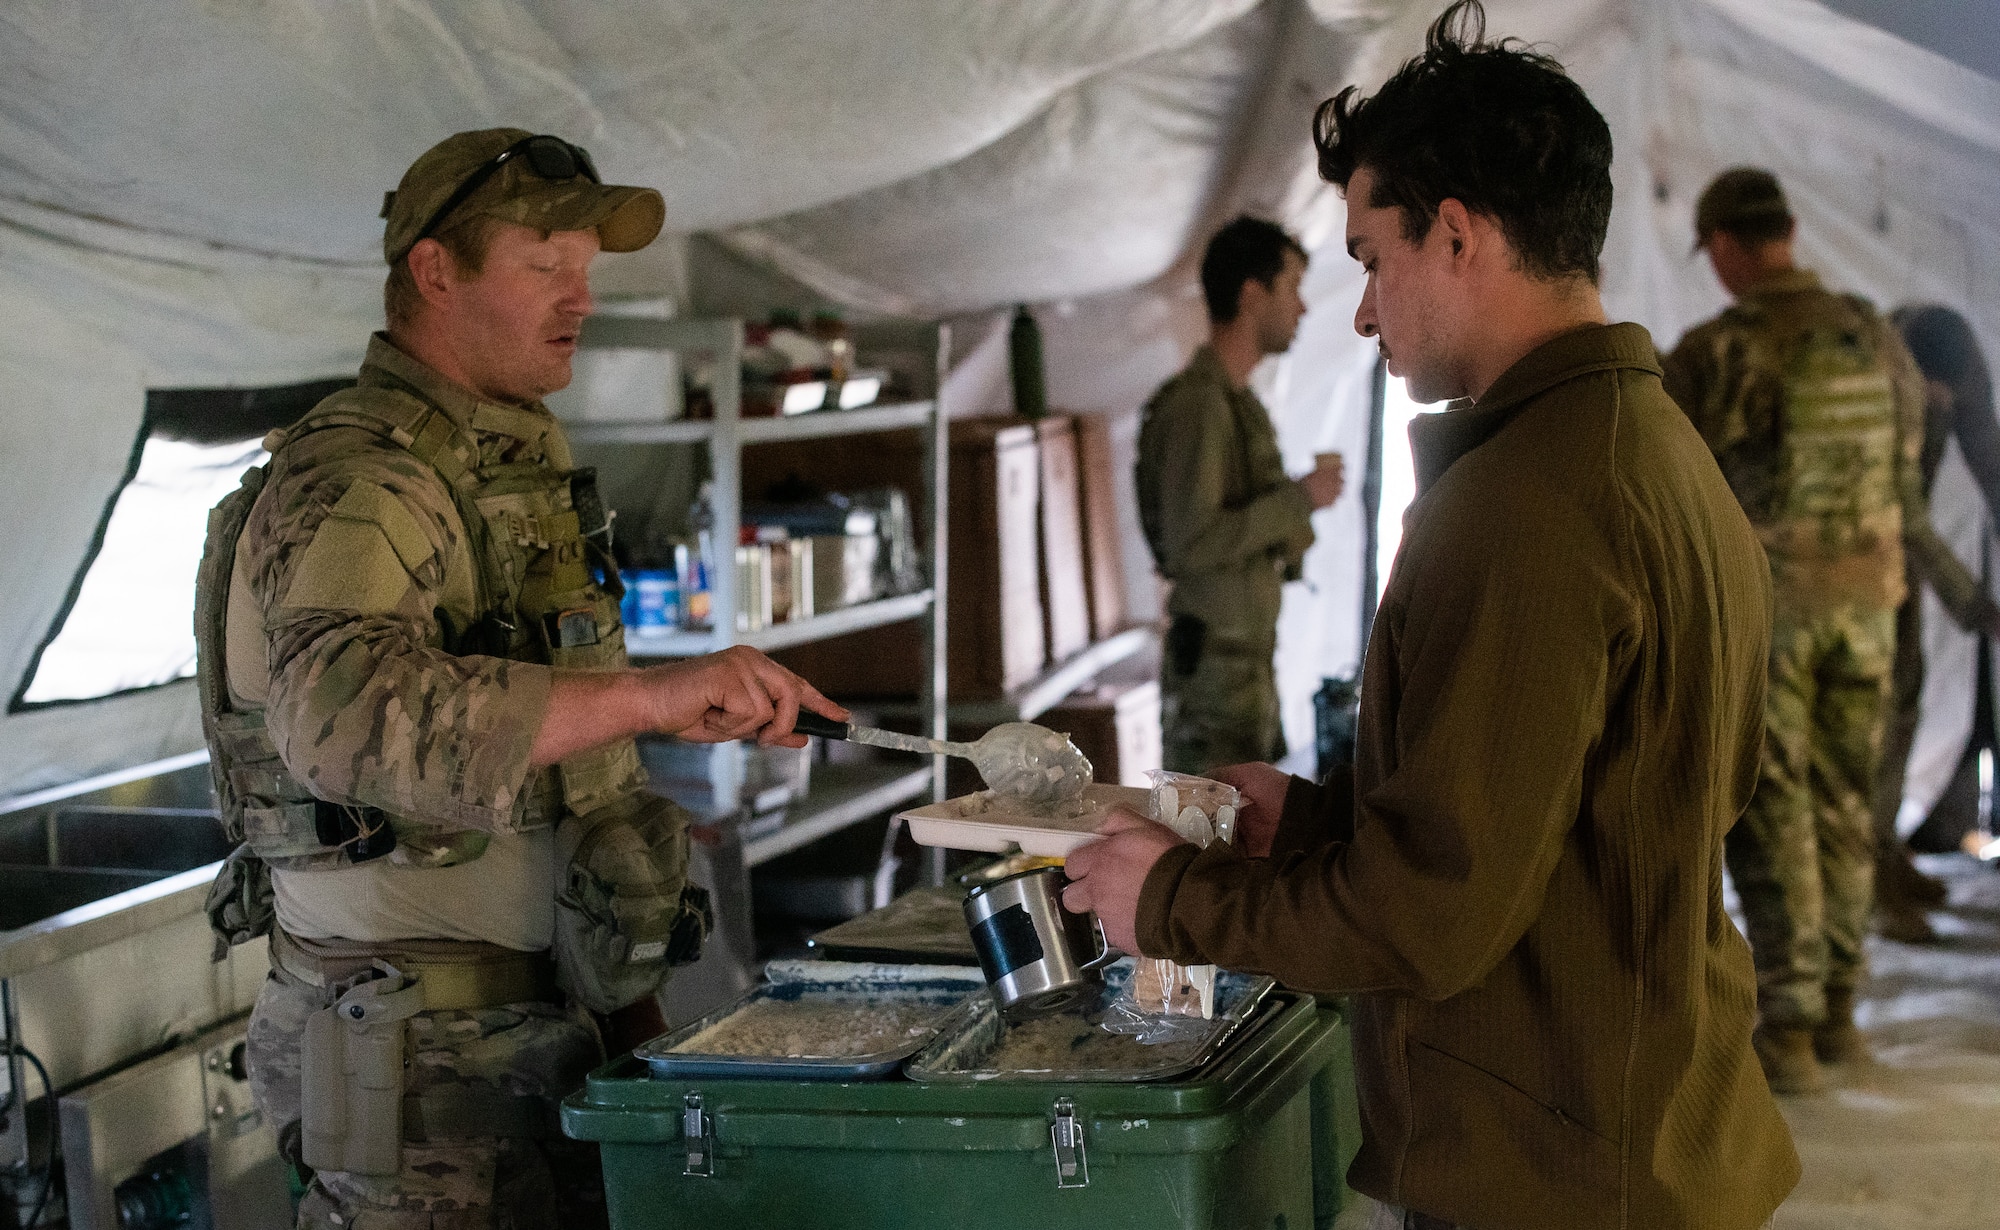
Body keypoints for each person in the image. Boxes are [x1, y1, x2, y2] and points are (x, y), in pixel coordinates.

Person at [1065, 5, 1798, 1227]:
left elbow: (1429, 915)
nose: (1360, 311)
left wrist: (1171, 902)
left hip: (1553, 1171)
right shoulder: (1647, 450)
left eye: (1368, 257)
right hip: (1633, 1123)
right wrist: (1312, 823)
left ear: (1455, 234)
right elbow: (1562, 821)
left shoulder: (1525, 503)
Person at [195, 128, 845, 1229]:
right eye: (544, 264)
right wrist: (653, 696)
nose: (579, 298)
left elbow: (562, 768)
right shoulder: (367, 476)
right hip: (420, 1079)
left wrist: (632, 1015)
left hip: (548, 1037)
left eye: (587, 269)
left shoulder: (501, 468)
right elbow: (339, 712)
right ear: (434, 272)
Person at [1660, 169, 1998, 1092]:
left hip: (1771, 624)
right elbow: (1906, 498)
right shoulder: (1875, 338)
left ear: (1726, 244)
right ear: (1792, 230)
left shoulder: (1717, 352)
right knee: (1852, 814)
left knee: (1774, 822)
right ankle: (1842, 1017)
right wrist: (1967, 602)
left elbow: (1660, 489)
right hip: (1872, 618)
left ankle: (1793, 1034)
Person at [1135, 215, 1345, 774]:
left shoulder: (1238, 405)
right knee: (1212, 848)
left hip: (1242, 674)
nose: (1302, 308)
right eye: (1292, 288)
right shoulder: (1198, 408)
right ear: (1253, 294)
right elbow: (1191, 544)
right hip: (1213, 688)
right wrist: (1298, 500)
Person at [1873, 305, 2000, 939]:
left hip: (1897, 555)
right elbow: (1899, 513)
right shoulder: (1875, 375)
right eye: (1933, 400)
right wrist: (1975, 607)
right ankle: (1863, 878)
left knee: (1905, 698)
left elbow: (1989, 458)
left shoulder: (1958, 365)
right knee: (1868, 715)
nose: (1941, 409)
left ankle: (1885, 855)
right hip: (1850, 557)